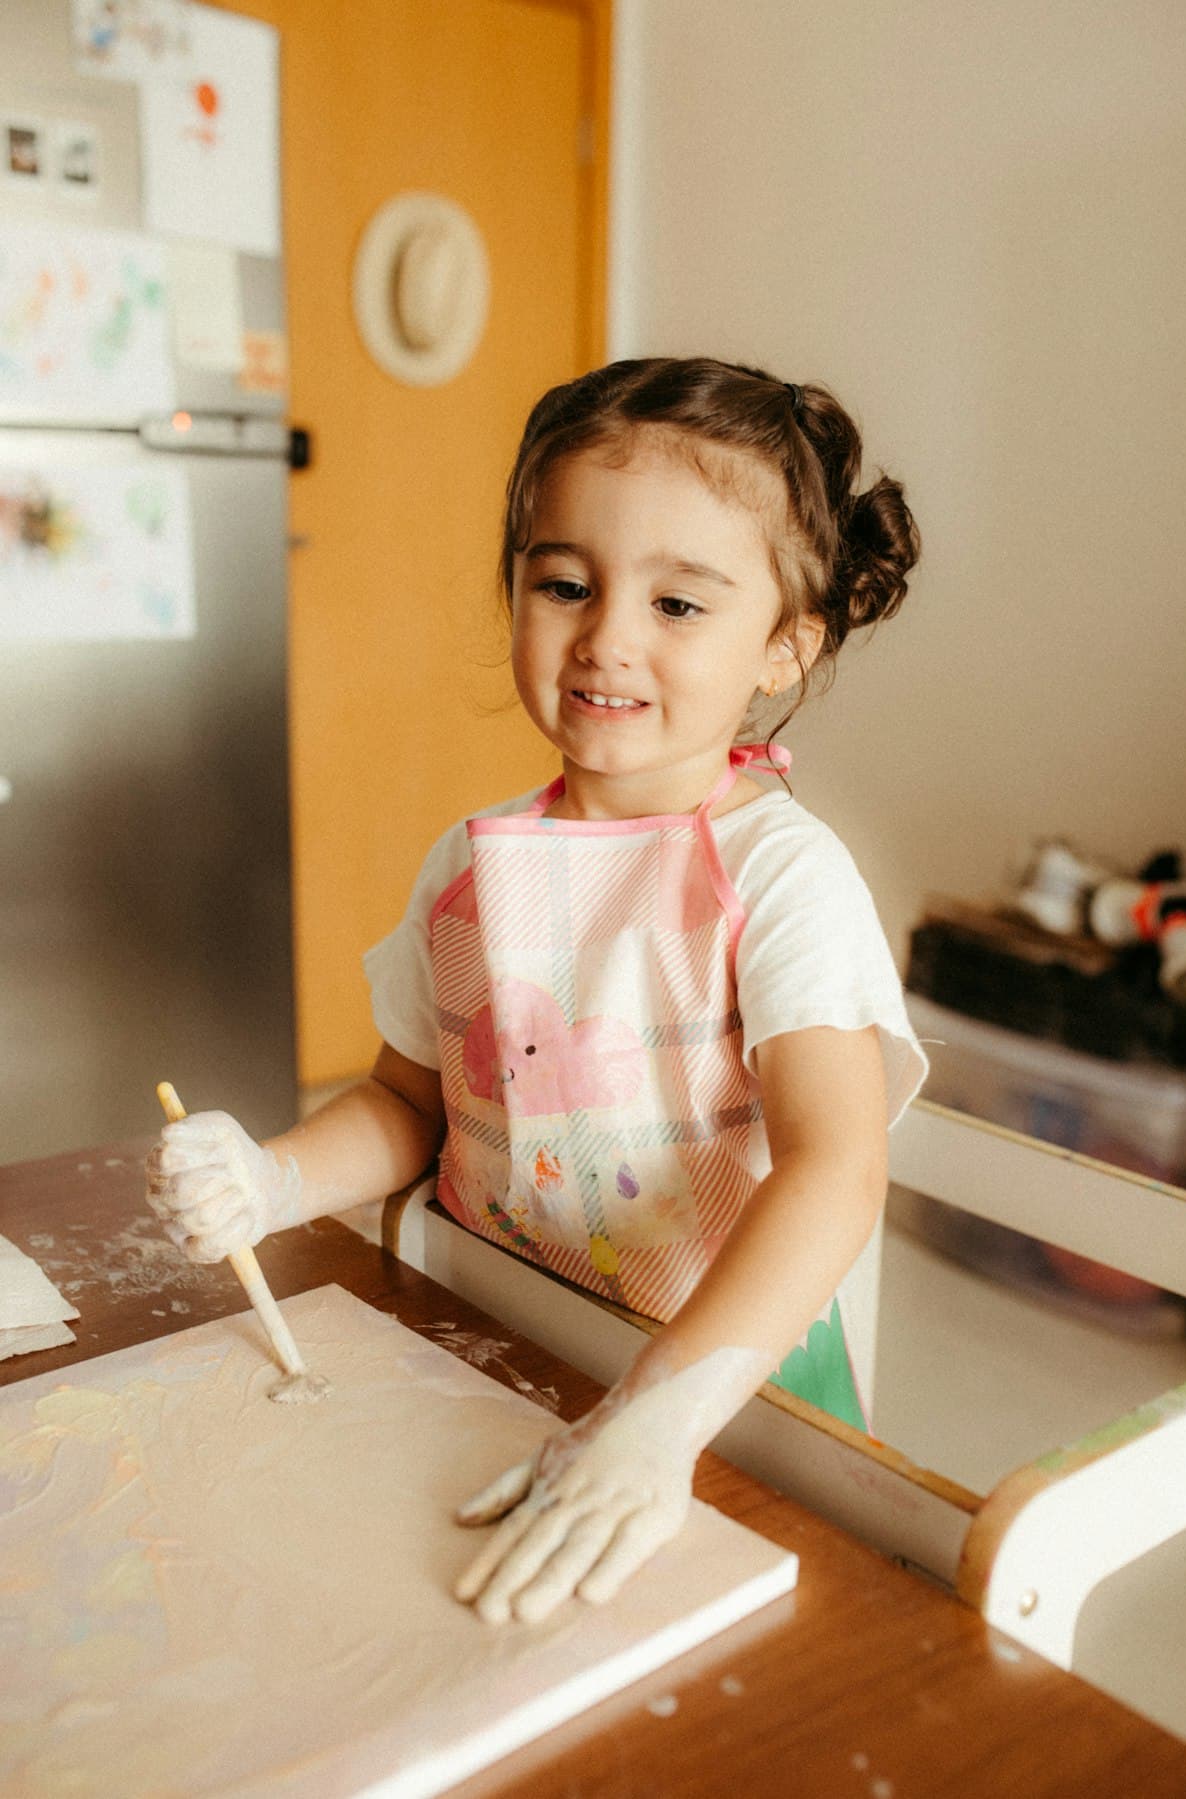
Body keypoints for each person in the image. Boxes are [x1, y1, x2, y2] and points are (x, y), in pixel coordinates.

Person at [146, 356, 928, 1626]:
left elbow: (834, 1164)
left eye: (680, 604)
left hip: (723, 1397)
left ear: (786, 645)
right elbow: (412, 1106)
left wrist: (659, 1420)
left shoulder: (786, 874)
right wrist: (274, 1176)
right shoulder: (469, 865)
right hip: (508, 1337)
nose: (607, 634)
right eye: (564, 582)